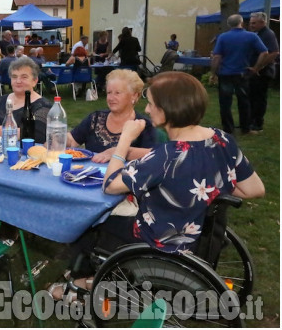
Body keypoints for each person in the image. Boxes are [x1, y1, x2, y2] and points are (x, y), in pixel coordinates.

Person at [48, 71, 265, 303]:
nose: (148, 110)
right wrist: (208, 185)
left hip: (157, 242)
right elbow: (254, 189)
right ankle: (93, 275)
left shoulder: (165, 157)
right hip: (199, 235)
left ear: (168, 109)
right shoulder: (222, 140)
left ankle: (83, 283)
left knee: (92, 219)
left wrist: (124, 141)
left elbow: (110, 185)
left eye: (151, 104)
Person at [66, 69, 156, 163]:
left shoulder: (144, 126)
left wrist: (119, 151)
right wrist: (56, 137)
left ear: (134, 95)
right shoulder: (95, 119)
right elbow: (72, 140)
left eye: (117, 93)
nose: (111, 98)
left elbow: (155, 155)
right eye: (109, 92)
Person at [210, 14, 268, 135]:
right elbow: (264, 52)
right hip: (243, 73)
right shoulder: (251, 36)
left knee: (225, 102)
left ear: (228, 24)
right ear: (241, 22)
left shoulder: (223, 37)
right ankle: (245, 128)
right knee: (244, 101)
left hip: (225, 74)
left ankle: (228, 128)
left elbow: (217, 57)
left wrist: (213, 73)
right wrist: (256, 68)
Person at [0, 56, 52, 143]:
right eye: (14, 77)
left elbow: (39, 134)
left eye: (24, 77)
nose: (18, 81)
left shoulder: (44, 106)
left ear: (35, 81)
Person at [247, 12, 279, 132]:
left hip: (263, 71)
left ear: (262, 22)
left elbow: (274, 52)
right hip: (254, 70)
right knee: (251, 96)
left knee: (259, 98)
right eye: (250, 23)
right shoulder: (256, 33)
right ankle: (250, 120)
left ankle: (258, 123)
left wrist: (259, 67)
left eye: (254, 23)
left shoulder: (268, 34)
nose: (251, 25)